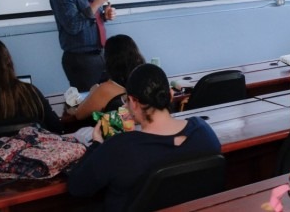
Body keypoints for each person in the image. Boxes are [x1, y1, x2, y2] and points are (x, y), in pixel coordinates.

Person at [68, 63, 221, 211]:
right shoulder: (202, 130)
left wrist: (97, 144)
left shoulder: (120, 147)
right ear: (171, 94)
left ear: (133, 102)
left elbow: (77, 187)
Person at [50, 0, 116, 92]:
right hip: (80, 60)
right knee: (89, 107)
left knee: (108, 102)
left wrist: (104, 15)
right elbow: (73, 26)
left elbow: (92, 17)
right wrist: (97, 2)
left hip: (101, 54)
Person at [67, 34, 145, 121]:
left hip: (117, 132)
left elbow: (79, 115)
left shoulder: (107, 89)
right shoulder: (145, 79)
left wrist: (92, 93)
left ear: (109, 59)